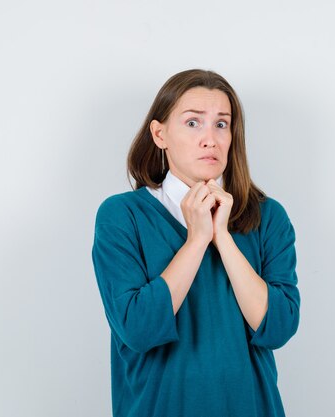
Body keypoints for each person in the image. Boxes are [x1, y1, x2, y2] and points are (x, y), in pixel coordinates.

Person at [91, 69, 300, 417]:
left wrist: (223, 238)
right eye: (193, 123)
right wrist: (197, 239)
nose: (210, 138)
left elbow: (278, 328)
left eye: (222, 124)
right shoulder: (121, 216)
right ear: (160, 134)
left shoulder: (268, 217)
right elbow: (138, 328)